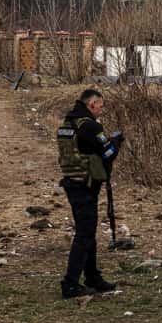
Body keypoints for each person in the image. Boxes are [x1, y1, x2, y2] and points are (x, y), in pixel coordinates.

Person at [56, 89, 123, 299]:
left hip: (72, 182)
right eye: (100, 106)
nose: (101, 110)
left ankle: (93, 277)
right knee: (84, 235)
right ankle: (71, 284)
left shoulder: (67, 125)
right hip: (85, 185)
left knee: (87, 233)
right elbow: (108, 153)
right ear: (92, 104)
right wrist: (116, 142)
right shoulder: (90, 126)